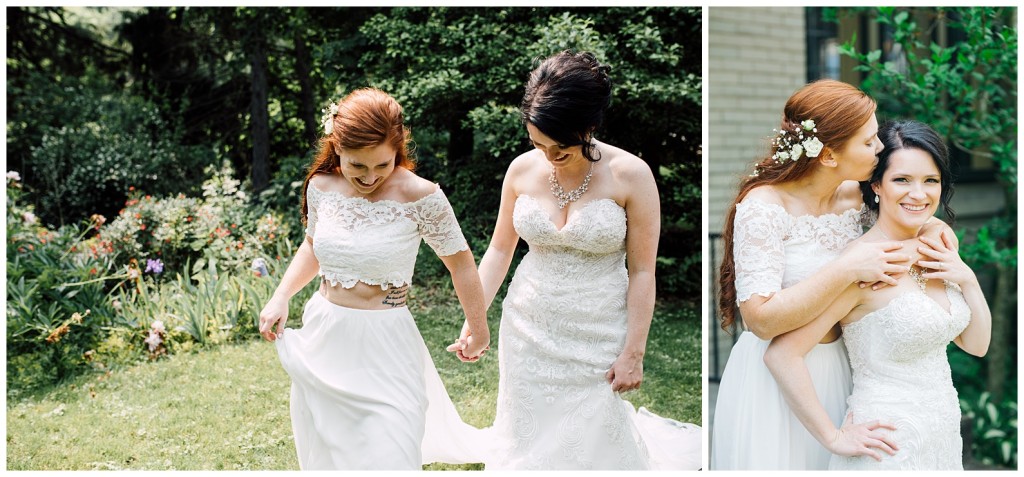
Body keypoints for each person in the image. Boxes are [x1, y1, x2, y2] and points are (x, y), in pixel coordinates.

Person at [449, 50, 700, 470]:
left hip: (598, 327)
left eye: (560, 146)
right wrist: (475, 320)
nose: (548, 155)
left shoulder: (631, 176)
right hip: (527, 322)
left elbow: (641, 272)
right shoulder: (520, 171)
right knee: (527, 433)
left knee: (594, 437)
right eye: (537, 144)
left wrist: (633, 352)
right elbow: (499, 251)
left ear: (590, 125)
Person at [257, 88, 489, 470]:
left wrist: (478, 328)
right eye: (357, 166)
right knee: (332, 458)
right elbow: (313, 246)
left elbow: (461, 264)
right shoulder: (321, 186)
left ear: (398, 150)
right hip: (327, 337)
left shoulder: (422, 196)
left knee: (392, 453)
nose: (370, 177)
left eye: (382, 165)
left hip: (387, 343)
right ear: (337, 149)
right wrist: (281, 295)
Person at [711, 79, 925, 470]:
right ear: (828, 155)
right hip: (779, 378)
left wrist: (939, 233)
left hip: (844, 366)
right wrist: (846, 268)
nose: (880, 148)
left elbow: (911, 213)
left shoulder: (855, 195)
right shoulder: (764, 205)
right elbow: (759, 319)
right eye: (868, 142)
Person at [763, 119, 991, 470]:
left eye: (930, 180)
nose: (919, 194)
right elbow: (782, 355)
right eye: (902, 180)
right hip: (886, 442)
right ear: (876, 186)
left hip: (942, 434)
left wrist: (969, 279)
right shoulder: (863, 265)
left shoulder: (936, 248)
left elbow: (976, 345)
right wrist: (833, 437)